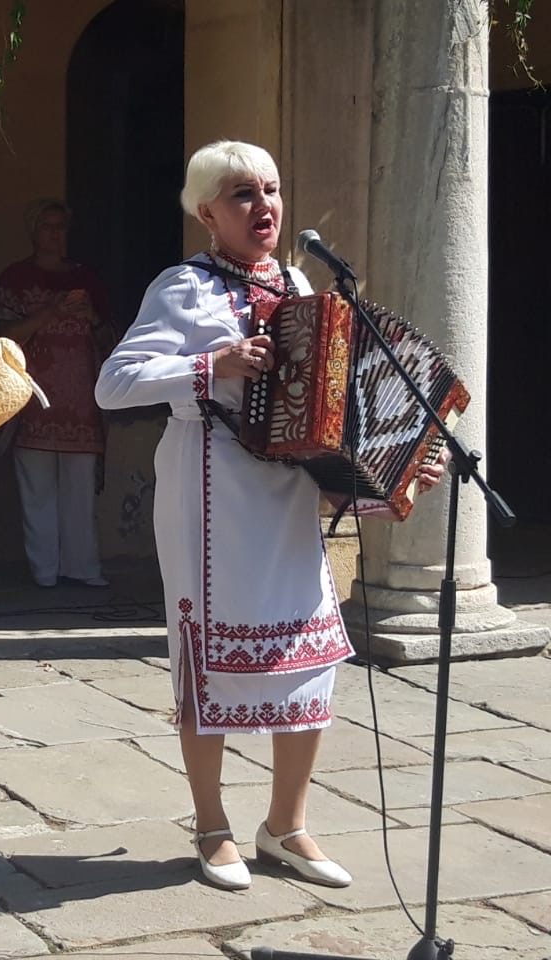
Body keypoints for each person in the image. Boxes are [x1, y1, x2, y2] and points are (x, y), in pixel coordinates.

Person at [94, 140, 445, 891]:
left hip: (285, 498)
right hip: (208, 491)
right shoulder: (182, 288)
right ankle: (212, 824)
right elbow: (113, 384)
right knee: (209, 660)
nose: (265, 207)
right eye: (243, 194)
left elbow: (332, 403)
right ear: (207, 212)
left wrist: (397, 463)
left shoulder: (299, 284)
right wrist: (208, 364)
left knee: (313, 654)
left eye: (272, 190)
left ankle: (286, 825)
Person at [0, 198, 113, 589]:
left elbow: (111, 335)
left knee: (80, 492)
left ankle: (83, 568)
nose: (55, 234)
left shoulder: (87, 278)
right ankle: (43, 572)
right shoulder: (15, 277)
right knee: (37, 490)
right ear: (33, 231)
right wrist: (51, 313)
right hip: (33, 399)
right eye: (47, 226)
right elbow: (3, 336)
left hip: (81, 399)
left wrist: (90, 317)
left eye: (61, 226)